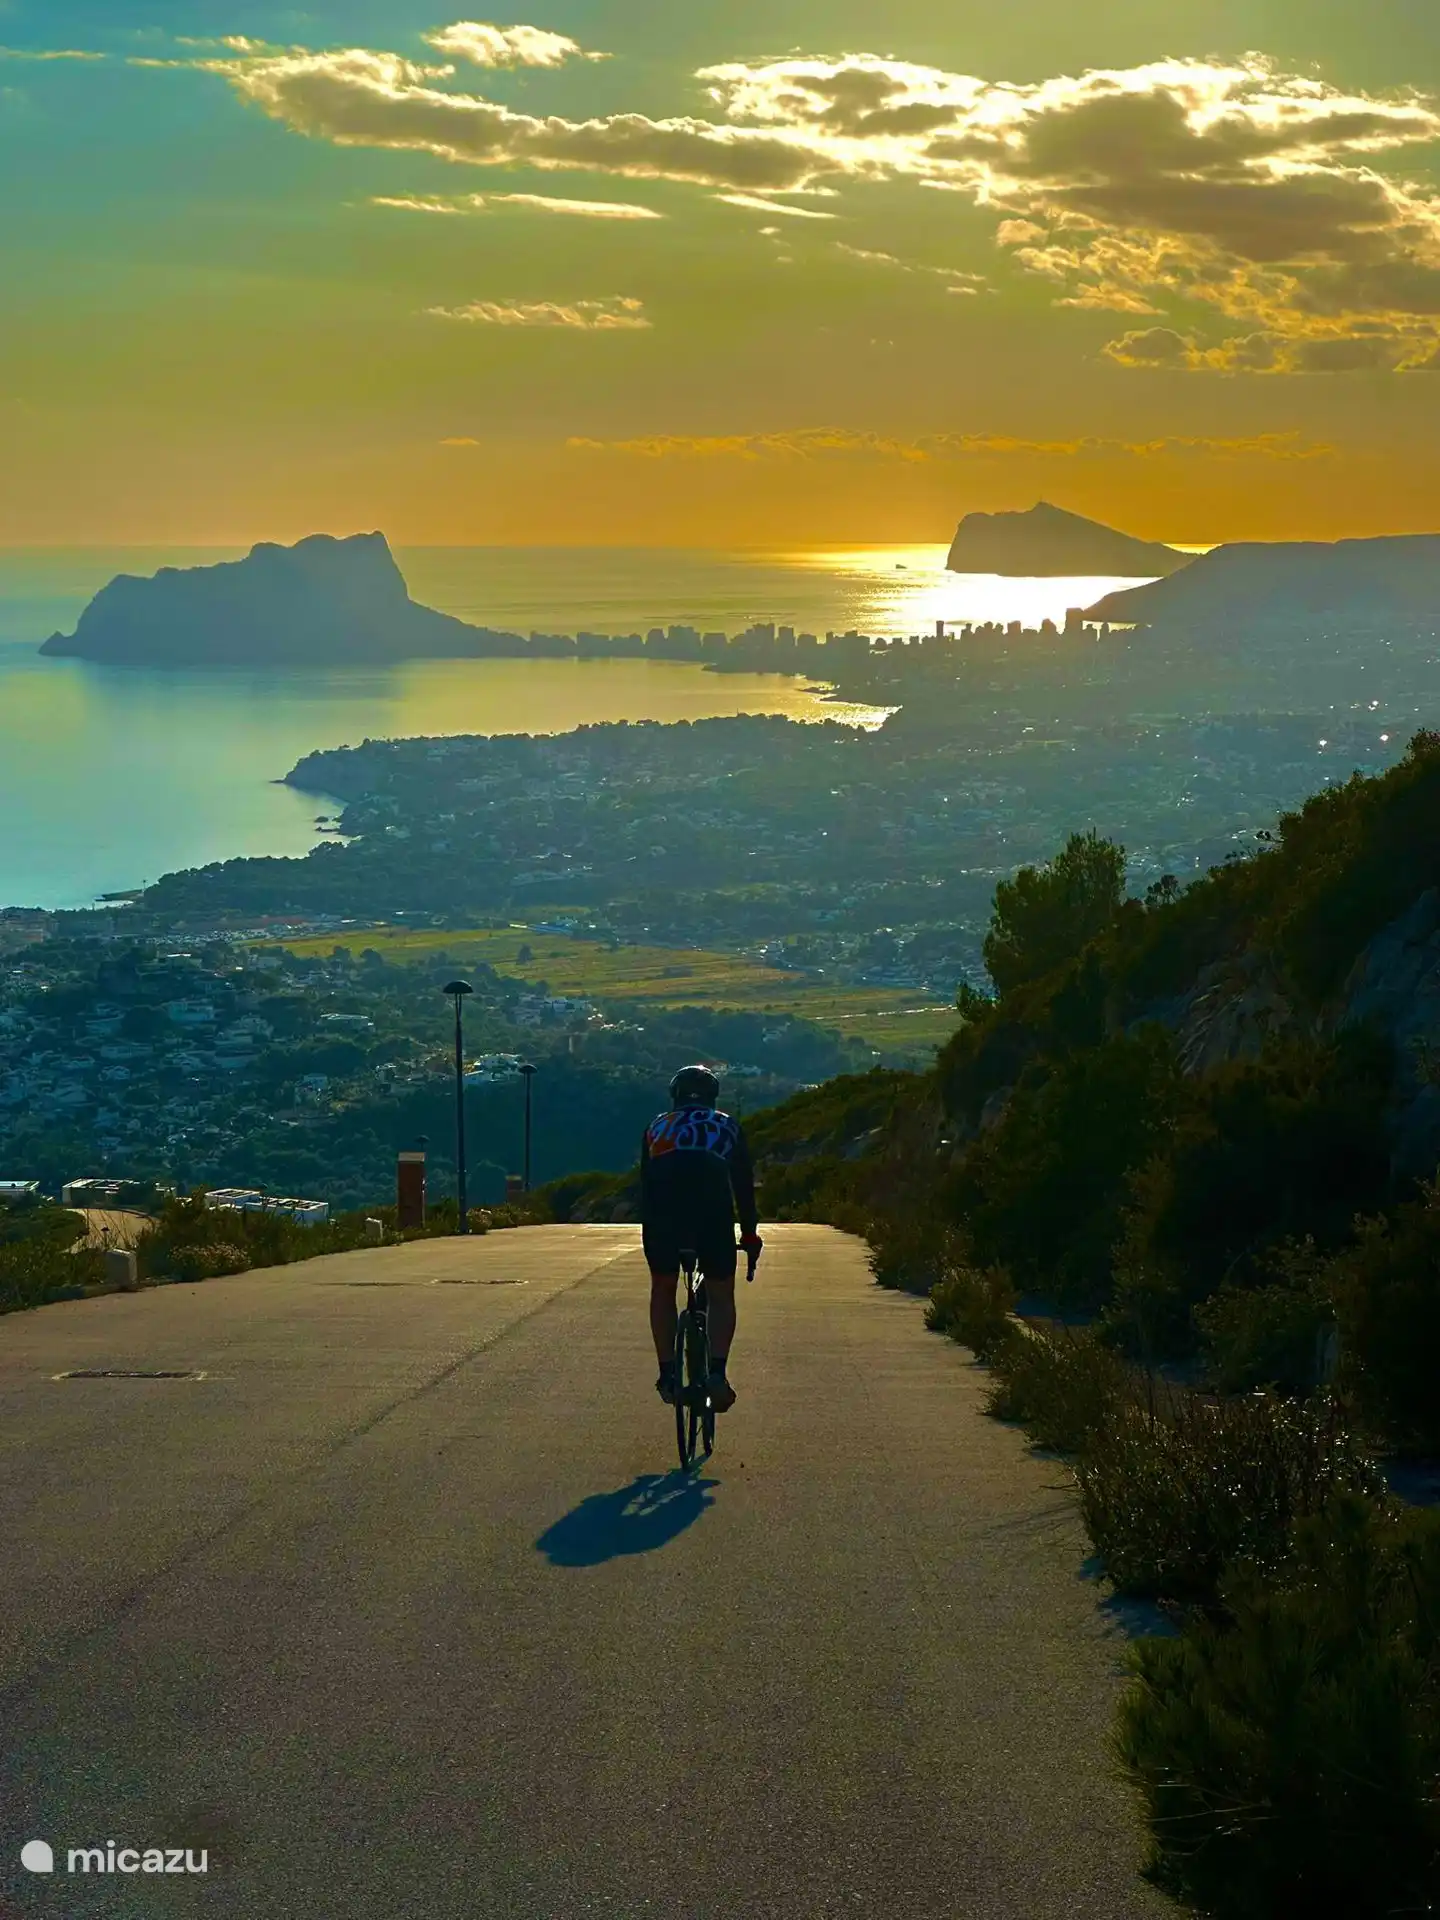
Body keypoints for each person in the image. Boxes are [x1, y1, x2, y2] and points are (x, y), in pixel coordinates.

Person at [641, 1065, 763, 1413]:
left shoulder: (656, 1126)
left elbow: (645, 1185)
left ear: (674, 1096)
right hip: (712, 1213)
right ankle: (717, 1374)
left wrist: (650, 1231)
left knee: (663, 1288)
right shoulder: (727, 1125)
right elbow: (743, 1188)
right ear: (714, 1097)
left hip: (663, 1216)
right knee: (721, 1293)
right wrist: (750, 1234)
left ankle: (667, 1375)